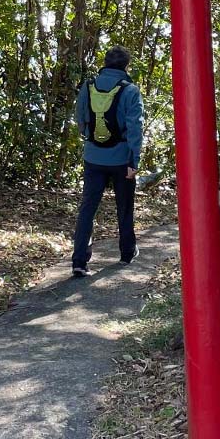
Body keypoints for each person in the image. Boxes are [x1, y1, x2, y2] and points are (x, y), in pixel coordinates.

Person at [71, 46, 144, 277]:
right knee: (124, 207)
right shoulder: (130, 90)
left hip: (93, 157)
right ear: (126, 66)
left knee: (88, 208)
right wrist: (134, 160)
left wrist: (90, 138)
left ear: (105, 63)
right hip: (121, 158)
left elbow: (80, 118)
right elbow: (135, 128)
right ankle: (126, 253)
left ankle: (79, 261)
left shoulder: (89, 85)